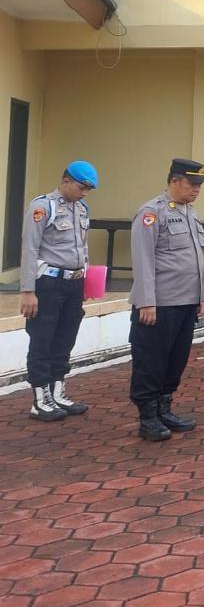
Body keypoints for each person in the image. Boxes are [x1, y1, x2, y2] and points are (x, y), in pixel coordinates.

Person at [129, 158, 204, 442]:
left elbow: (197, 259)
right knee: (151, 361)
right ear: (174, 181)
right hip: (160, 304)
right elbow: (143, 259)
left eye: (200, 185)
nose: (196, 189)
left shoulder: (190, 213)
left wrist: (201, 296)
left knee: (176, 360)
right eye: (192, 183)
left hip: (186, 302)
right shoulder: (152, 212)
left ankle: (164, 409)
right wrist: (146, 302)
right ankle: (148, 417)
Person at [20, 160, 99, 422]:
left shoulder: (82, 209)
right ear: (65, 181)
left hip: (73, 283)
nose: (84, 193)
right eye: (81, 187)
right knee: (43, 339)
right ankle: (40, 399)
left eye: (88, 189)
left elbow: (83, 248)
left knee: (65, 339)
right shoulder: (43, 207)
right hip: (48, 284)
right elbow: (30, 249)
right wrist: (28, 291)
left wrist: (86, 281)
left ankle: (57, 392)